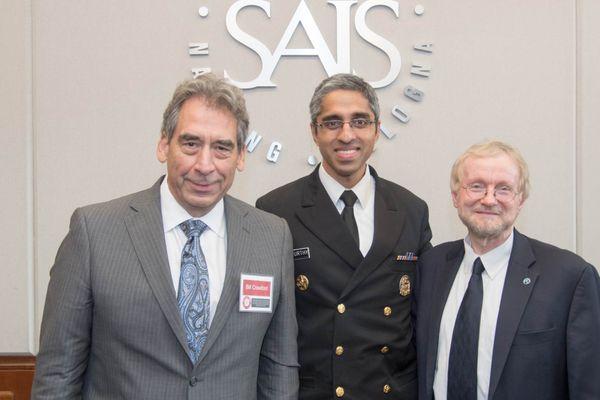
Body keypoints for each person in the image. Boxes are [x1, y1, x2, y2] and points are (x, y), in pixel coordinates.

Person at [31, 74, 299, 400]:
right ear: (163, 145)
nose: (205, 164)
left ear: (241, 156)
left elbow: (279, 370)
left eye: (222, 148)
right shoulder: (94, 232)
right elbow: (58, 375)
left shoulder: (272, 237)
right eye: (191, 143)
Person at [256, 73, 432, 399]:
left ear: (376, 130)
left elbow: (423, 320)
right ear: (315, 131)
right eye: (332, 123)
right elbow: (265, 327)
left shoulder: (411, 210)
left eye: (360, 122)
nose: (347, 135)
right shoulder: (276, 209)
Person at [416, 140, 600, 400]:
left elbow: (588, 388)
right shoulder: (430, 267)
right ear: (455, 197)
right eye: (477, 186)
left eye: (503, 189)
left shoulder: (570, 278)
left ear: (520, 200)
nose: (489, 199)